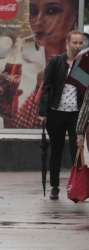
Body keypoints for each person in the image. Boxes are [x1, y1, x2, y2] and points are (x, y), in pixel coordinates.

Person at [0, 0, 80, 129]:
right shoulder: (43, 75)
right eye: (33, 11)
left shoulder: (75, 74)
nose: (38, 21)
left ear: (75, 17)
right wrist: (8, 104)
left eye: (51, 11)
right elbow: (21, 136)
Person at [38, 30, 84, 199]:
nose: (78, 46)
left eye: (81, 43)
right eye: (75, 43)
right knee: (56, 150)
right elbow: (47, 87)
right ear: (67, 43)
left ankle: (77, 187)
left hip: (76, 115)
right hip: (56, 113)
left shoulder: (84, 63)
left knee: (76, 150)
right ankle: (55, 187)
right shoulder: (56, 61)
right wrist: (43, 111)